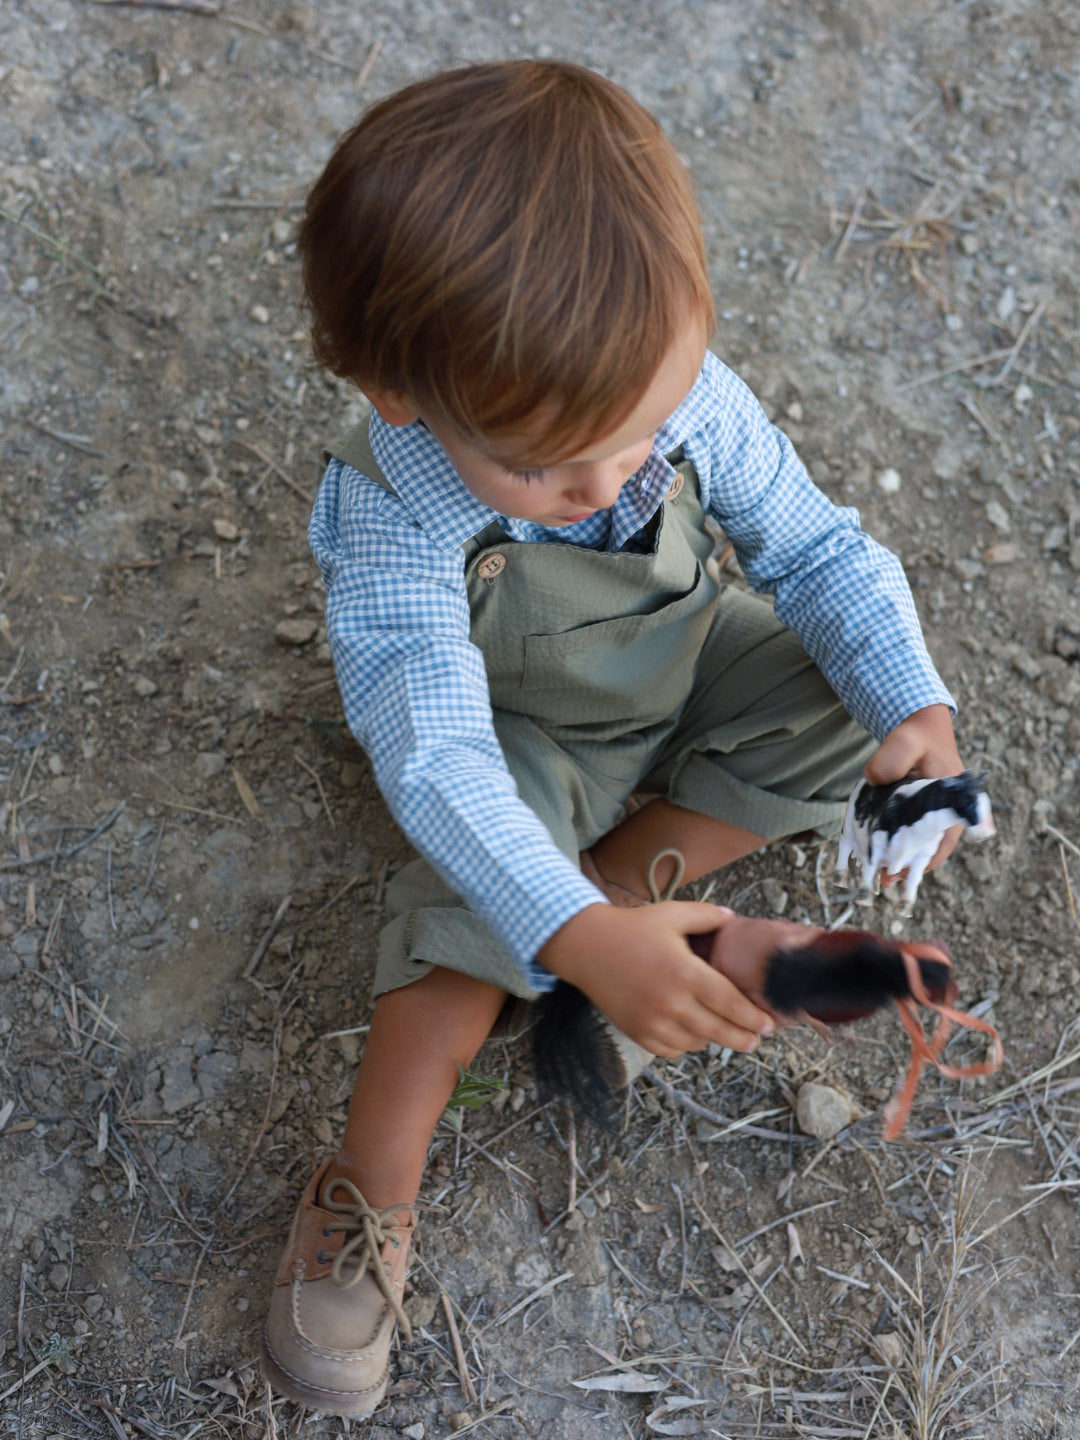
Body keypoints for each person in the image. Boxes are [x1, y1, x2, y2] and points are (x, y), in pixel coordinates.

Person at [260, 60, 963, 1416]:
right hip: (514, 743)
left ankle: (624, 896)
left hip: (685, 669)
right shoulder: (396, 515)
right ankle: (372, 1183)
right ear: (397, 391)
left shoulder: (676, 392)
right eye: (547, 468)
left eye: (644, 433)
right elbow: (438, 763)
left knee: (835, 695)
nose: (611, 481)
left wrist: (912, 711)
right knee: (459, 914)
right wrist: (559, 933)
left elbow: (815, 548)